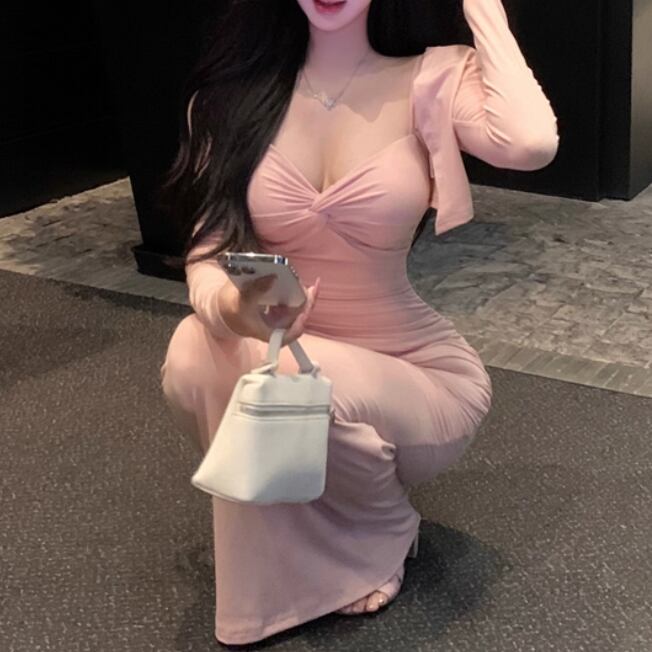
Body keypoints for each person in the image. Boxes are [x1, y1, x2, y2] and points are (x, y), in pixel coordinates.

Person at [159, 0, 559, 644]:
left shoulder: (434, 77)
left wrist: (482, 7)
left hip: (415, 374)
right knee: (193, 349)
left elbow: (531, 144)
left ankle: (382, 525)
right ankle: (298, 536)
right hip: (287, 351)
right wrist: (238, 309)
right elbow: (209, 255)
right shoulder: (226, 100)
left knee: (288, 377)